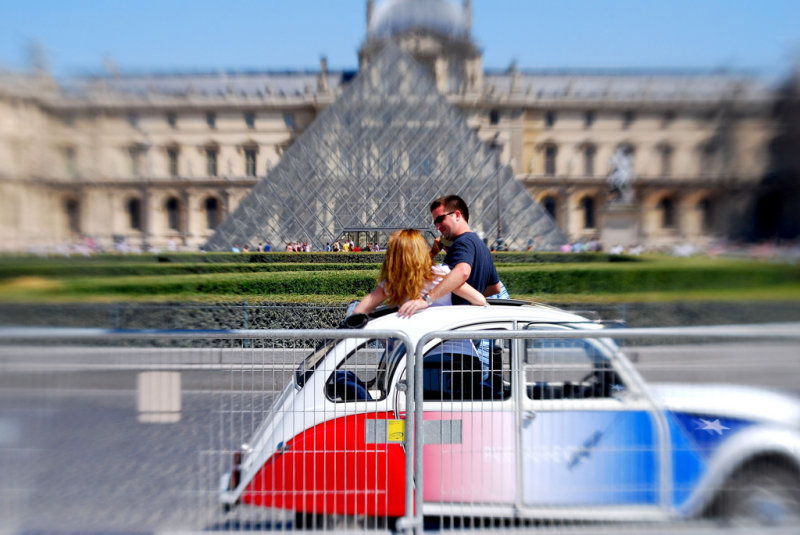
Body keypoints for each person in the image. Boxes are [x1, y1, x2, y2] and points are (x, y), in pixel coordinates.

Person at [398, 195, 502, 317]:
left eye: (440, 219)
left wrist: (427, 300)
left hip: (455, 322)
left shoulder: (462, 242)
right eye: (435, 222)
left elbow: (462, 272)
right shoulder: (481, 245)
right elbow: (495, 288)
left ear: (457, 215)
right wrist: (471, 298)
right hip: (471, 321)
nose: (437, 226)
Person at [353, 229, 486, 317]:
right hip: (456, 351)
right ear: (421, 250)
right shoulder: (443, 275)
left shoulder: (392, 283)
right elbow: (480, 300)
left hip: (419, 352)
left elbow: (358, 311)